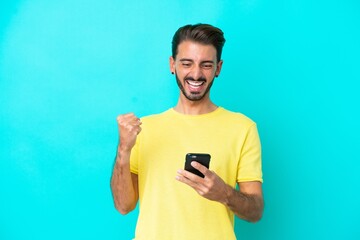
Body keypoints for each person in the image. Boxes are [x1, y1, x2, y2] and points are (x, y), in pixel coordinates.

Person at [110, 23, 264, 240]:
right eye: (186, 63)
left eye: (206, 65)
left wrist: (224, 193)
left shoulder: (243, 128)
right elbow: (123, 206)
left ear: (218, 68)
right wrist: (124, 149)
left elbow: (255, 211)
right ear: (172, 64)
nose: (196, 74)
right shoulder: (143, 129)